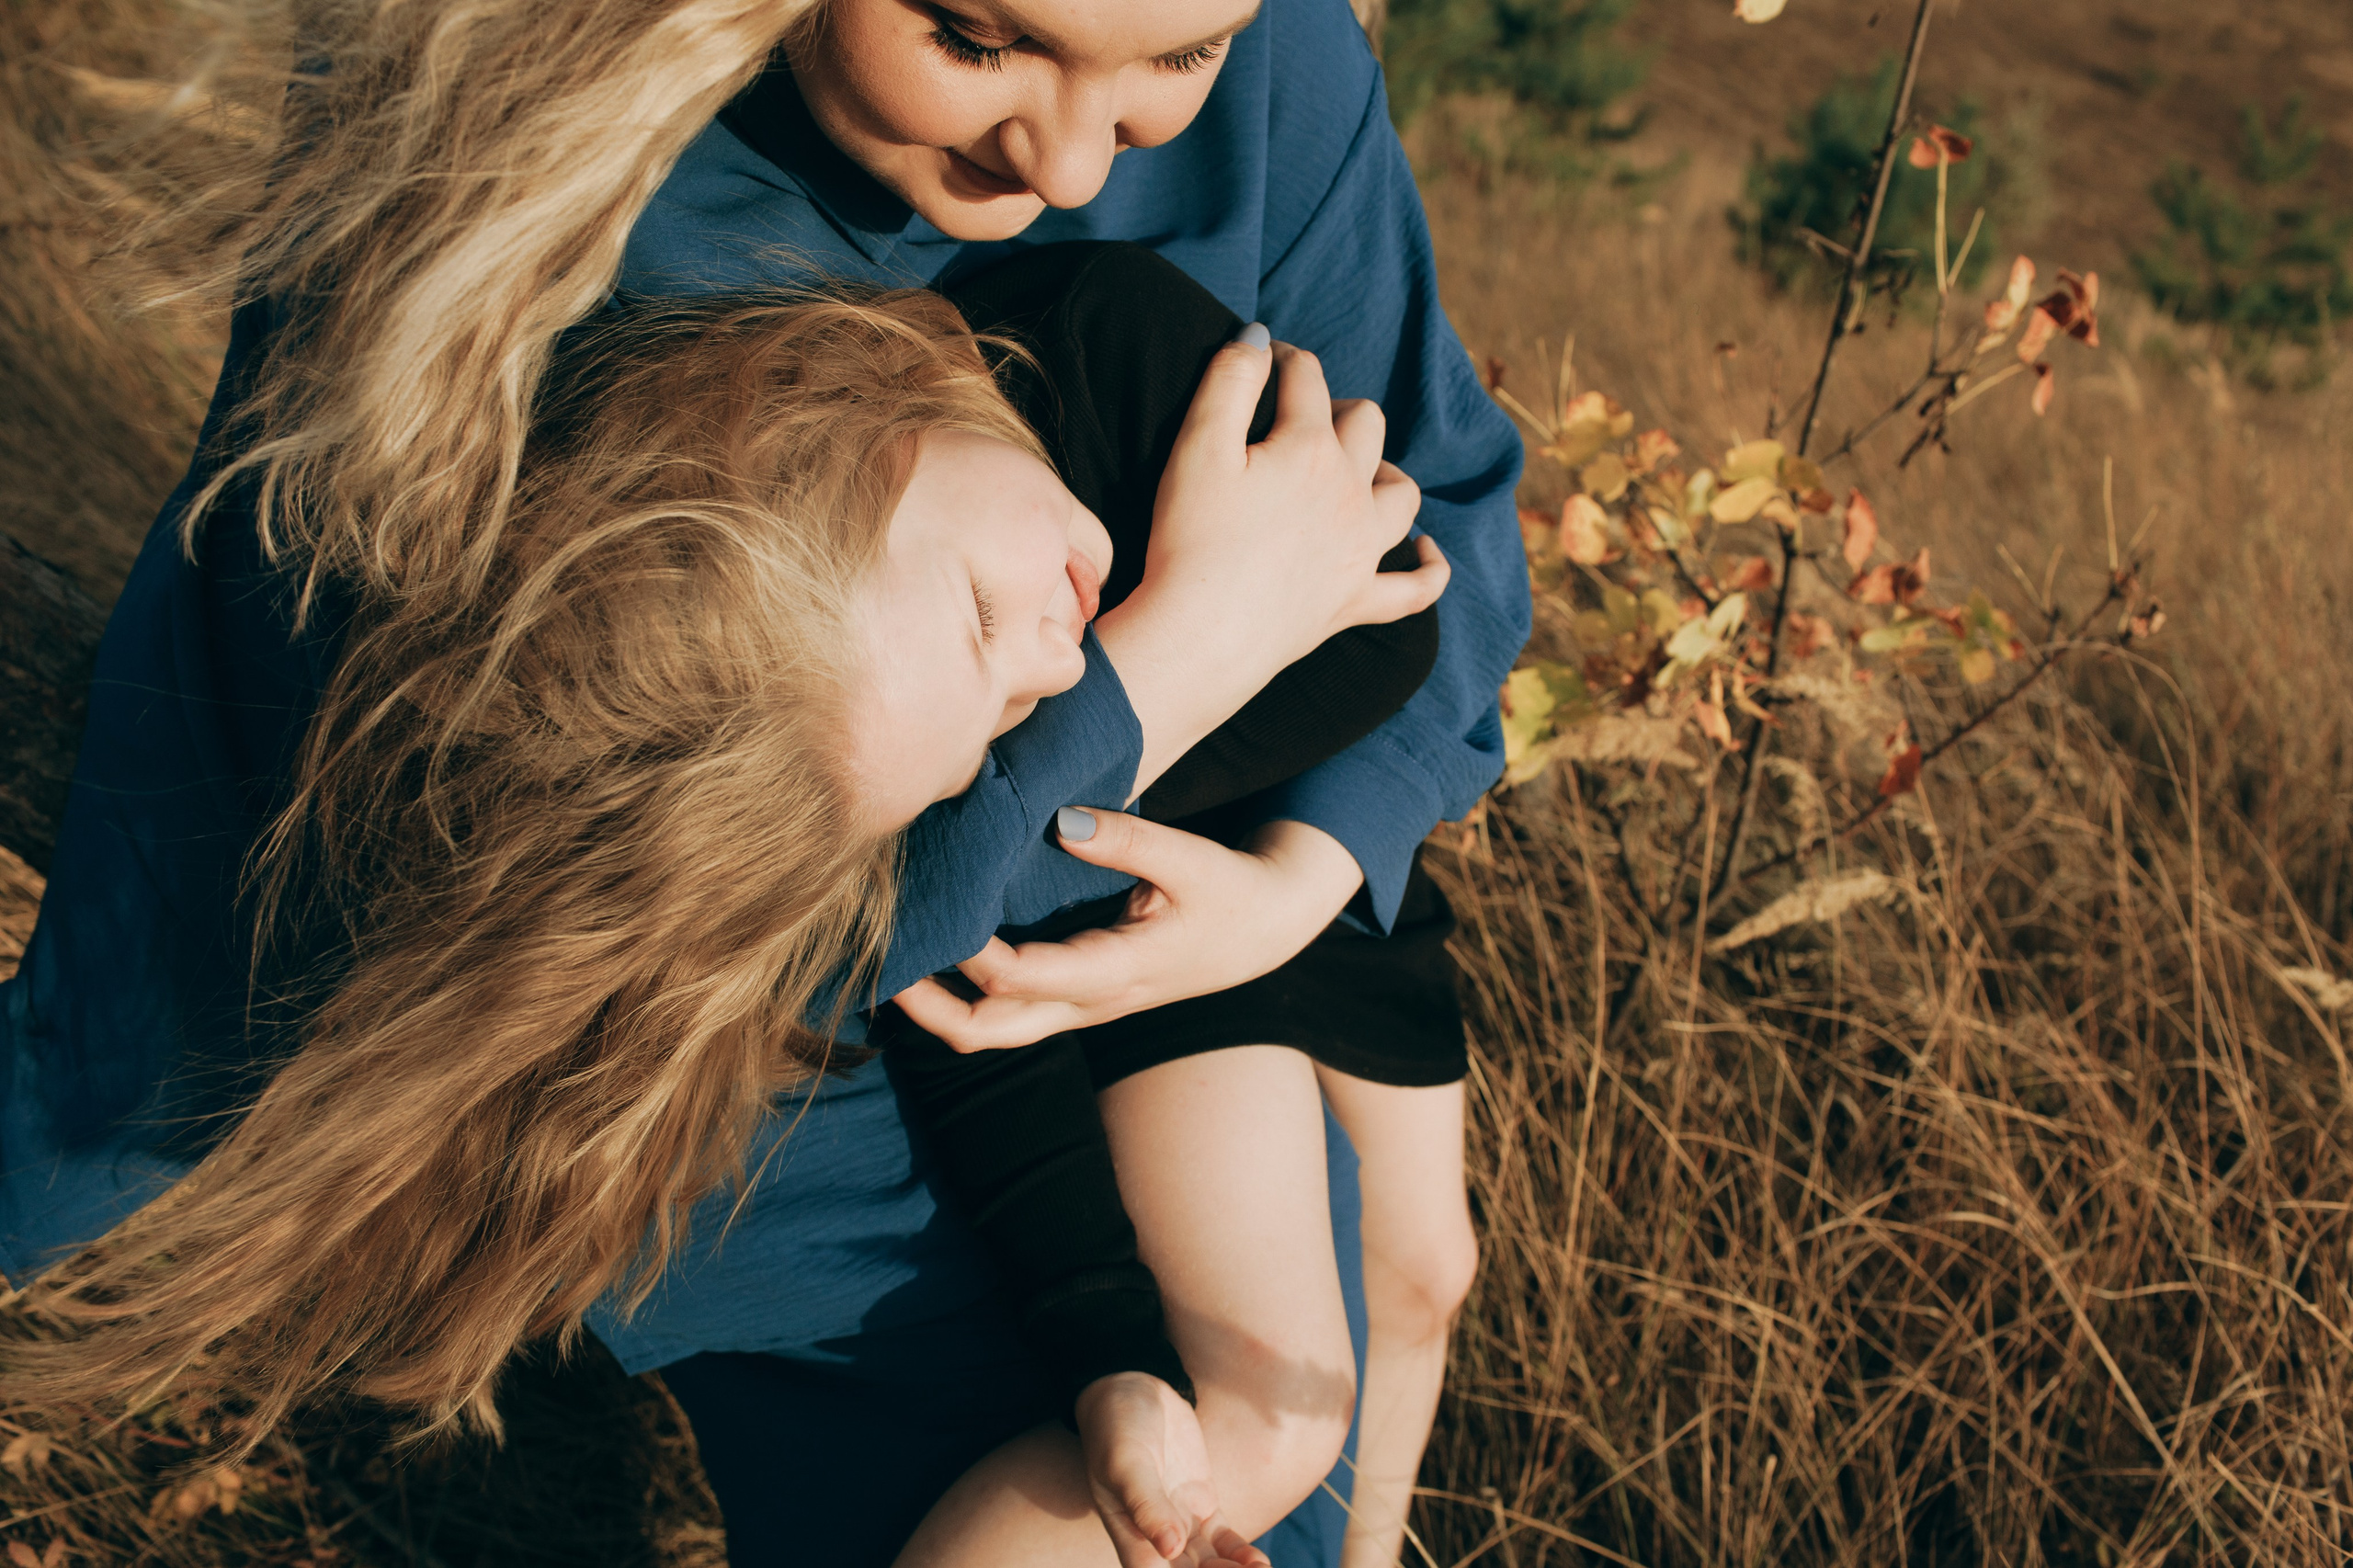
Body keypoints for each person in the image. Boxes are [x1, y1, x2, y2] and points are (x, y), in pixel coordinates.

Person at [2, 0, 1528, 1562]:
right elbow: (629, 900)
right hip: (725, 1077)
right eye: (977, 38)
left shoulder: (1274, 68)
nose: (1073, 164)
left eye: (1179, 59)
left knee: (1298, 1414)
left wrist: (1306, 880)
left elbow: (1455, 520)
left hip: (1094, 968)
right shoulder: (544, 174)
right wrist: (1168, 673)